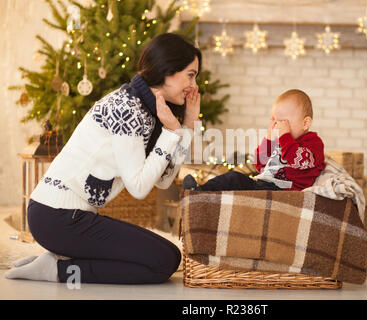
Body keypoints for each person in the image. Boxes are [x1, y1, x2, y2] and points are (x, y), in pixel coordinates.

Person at [5, 33, 201, 284]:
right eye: (190, 74)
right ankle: (57, 270)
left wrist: (186, 126)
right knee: (162, 262)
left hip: (73, 216)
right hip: (56, 216)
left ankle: (59, 262)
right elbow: (139, 187)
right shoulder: (126, 108)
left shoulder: (148, 110)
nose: (194, 85)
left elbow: (163, 180)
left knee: (170, 257)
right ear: (168, 70)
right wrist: (172, 133)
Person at [183, 89, 325, 191]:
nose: (279, 126)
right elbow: (260, 164)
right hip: (265, 184)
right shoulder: (281, 141)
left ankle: (200, 193)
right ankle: (200, 191)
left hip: (285, 191)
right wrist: (269, 136)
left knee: (234, 179)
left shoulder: (313, 142)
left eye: (284, 121)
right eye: (276, 120)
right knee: (233, 178)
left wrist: (284, 136)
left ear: (305, 123)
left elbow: (298, 160)